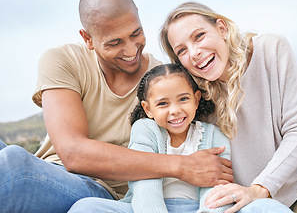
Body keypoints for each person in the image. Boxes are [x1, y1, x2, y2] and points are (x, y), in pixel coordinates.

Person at [0, 0, 233, 213]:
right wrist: (182, 167)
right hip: (52, 173)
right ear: (87, 39)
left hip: (107, 190)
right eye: (114, 42)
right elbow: (72, 153)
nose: (131, 50)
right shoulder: (63, 60)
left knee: (13, 167)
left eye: (136, 33)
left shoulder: (164, 82)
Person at [159, 2, 297, 212]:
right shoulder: (195, 101)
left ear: (222, 29)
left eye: (199, 36)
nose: (194, 53)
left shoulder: (270, 49)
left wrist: (258, 188)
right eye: (182, 50)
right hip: (290, 195)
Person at [69, 63, 233, 212]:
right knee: (85, 207)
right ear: (148, 109)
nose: (175, 110)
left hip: (197, 208)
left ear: (196, 100)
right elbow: (143, 179)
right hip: (144, 207)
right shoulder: (145, 129)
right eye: (163, 103)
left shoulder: (214, 136)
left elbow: (219, 185)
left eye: (183, 99)